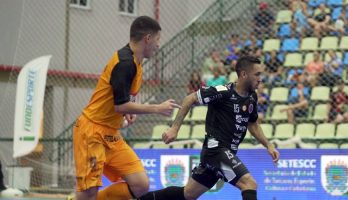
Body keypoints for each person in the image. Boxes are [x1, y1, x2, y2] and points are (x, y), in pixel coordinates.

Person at [138, 56, 280, 200]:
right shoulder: (223, 92)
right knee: (249, 184)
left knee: (188, 194)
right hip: (215, 151)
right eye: (257, 74)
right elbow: (190, 98)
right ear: (244, 74)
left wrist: (268, 145)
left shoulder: (251, 97)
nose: (260, 79)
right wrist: (174, 129)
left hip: (222, 155)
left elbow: (253, 124)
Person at [72, 16, 182, 200]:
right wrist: (157, 108)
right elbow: (119, 105)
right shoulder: (124, 63)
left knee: (140, 184)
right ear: (147, 38)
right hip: (91, 131)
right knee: (88, 191)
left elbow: (123, 97)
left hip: (110, 132)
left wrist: (129, 111)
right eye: (157, 40)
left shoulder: (136, 62)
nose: (158, 45)